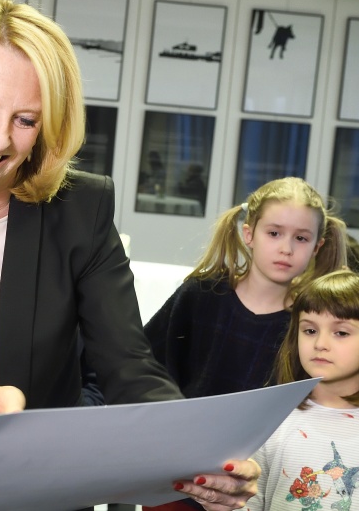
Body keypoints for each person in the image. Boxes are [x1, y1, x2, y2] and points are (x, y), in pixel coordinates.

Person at [0, 0, 259, 509]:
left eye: (25, 120)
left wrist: (200, 454)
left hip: (46, 491)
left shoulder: (82, 207)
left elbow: (128, 365)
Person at [143, 177, 347, 511]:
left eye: (301, 238)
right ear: (248, 234)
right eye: (274, 233)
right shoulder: (200, 295)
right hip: (174, 480)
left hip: (258, 489)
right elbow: (146, 367)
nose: (286, 248)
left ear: (317, 247)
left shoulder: (308, 327)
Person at [240, 270, 359, 510]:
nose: (320, 344)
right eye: (310, 330)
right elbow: (245, 504)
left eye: (341, 333)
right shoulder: (272, 420)